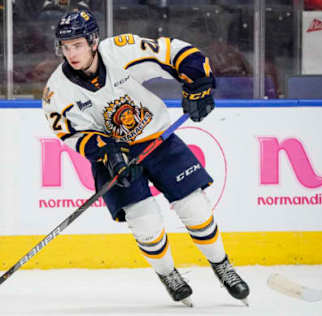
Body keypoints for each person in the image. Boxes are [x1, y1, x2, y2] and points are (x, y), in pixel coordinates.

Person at [42, 9, 250, 307]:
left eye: (77, 45)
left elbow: (176, 52)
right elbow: (72, 134)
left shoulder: (121, 51)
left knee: (196, 209)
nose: (71, 53)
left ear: (93, 41)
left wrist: (198, 84)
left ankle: (222, 265)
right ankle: (168, 274)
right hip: (114, 156)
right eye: (65, 47)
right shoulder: (56, 92)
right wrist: (106, 150)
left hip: (158, 140)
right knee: (146, 224)